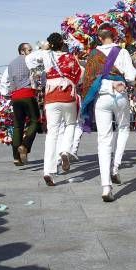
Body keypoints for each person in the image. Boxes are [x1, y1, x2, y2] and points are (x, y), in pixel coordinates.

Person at [78, 24, 136, 202]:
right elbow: (131, 76)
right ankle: (116, 167)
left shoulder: (94, 55)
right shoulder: (123, 52)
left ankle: (105, 187)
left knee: (103, 140)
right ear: (113, 36)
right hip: (119, 95)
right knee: (124, 128)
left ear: (100, 38)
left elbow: (87, 78)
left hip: (101, 98)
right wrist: (126, 82)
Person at [26, 33, 83, 187]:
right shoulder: (71, 57)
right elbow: (80, 75)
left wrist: (44, 49)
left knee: (52, 134)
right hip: (68, 96)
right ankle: (65, 150)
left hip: (51, 96)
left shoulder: (46, 55)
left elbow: (29, 60)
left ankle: (48, 171)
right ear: (62, 44)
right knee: (71, 124)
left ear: (50, 44)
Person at [5, 43, 40, 166]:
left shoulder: (11, 63)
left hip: (15, 96)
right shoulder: (30, 61)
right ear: (22, 51)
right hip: (27, 94)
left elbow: (9, 81)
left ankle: (16, 157)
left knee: (18, 126)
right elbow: (36, 77)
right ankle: (25, 146)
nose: (31, 52)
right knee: (35, 121)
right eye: (29, 50)